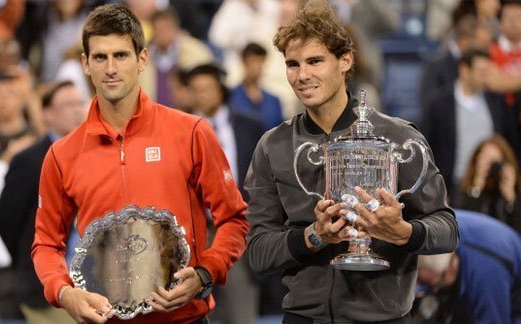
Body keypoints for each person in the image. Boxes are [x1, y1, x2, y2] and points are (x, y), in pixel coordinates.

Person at [31, 4, 249, 324]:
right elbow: (46, 244)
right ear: (85, 64)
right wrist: (64, 292)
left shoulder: (191, 132)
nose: (110, 68)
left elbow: (234, 218)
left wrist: (205, 272)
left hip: (185, 318)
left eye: (121, 55)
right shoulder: (61, 154)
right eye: (100, 57)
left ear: (142, 59)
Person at [244, 1, 459, 323]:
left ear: (345, 60)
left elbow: (448, 230)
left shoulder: (398, 137)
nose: (302, 75)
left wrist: (402, 232)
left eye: (315, 61)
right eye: (293, 64)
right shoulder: (273, 146)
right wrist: (315, 235)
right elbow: (259, 253)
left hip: (383, 317)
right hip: (303, 316)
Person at [0, 80, 87, 323]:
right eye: (69, 105)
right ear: (47, 114)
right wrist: (30, 261)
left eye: (80, 103)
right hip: (45, 288)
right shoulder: (29, 160)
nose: (78, 110)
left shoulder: (97, 155)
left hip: (94, 286)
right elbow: (6, 219)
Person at [186, 63, 264, 324]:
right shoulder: (179, 129)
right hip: (192, 232)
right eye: (196, 90)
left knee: (240, 312)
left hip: (234, 228)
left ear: (221, 90)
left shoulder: (249, 125)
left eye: (207, 89)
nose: (202, 95)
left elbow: (262, 178)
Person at [421, 47, 521, 200]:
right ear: (464, 70)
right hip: (451, 188)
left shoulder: (497, 102)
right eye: (481, 71)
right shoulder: (438, 104)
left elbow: (510, 142)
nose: (485, 77)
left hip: (492, 189)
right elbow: (426, 148)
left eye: (488, 72)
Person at [414, 209, 521, 324]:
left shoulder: (486, 276)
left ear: (451, 267)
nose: (434, 290)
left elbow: (493, 319)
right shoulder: (438, 232)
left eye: (435, 285)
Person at [454, 134, 521, 232]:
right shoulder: (465, 191)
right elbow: (463, 225)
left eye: (496, 161)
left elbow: (517, 232)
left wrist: (510, 197)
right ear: (476, 162)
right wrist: (477, 185)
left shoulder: (515, 193)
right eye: (486, 160)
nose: (492, 167)